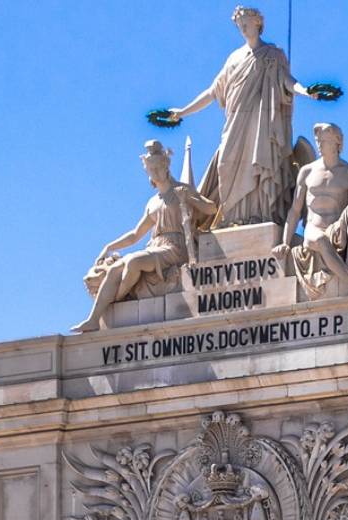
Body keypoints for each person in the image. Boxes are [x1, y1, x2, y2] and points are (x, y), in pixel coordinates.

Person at [165, 6, 317, 225]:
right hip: (235, 121)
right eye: (239, 26)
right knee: (225, 164)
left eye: (246, 23)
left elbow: (287, 81)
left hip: (263, 124)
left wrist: (306, 91)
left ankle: (260, 216)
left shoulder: (273, 55)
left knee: (261, 163)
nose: (243, 29)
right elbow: (212, 92)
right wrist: (183, 111)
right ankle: (233, 218)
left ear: (258, 23)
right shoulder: (234, 59)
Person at [69, 141, 219, 333]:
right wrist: (109, 247)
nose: (155, 173)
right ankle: (93, 318)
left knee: (133, 261)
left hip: (175, 248)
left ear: (166, 166)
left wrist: (189, 198)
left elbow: (211, 209)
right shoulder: (152, 203)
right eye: (151, 169)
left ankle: (115, 299)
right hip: (156, 247)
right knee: (116, 266)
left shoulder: (182, 190)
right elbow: (134, 235)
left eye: (158, 167)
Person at [276, 122, 348, 297]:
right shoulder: (307, 171)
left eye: (324, 141)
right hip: (314, 229)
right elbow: (295, 211)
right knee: (320, 239)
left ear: (337, 142)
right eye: (318, 141)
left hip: (336, 230)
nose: (319, 145)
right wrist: (285, 242)